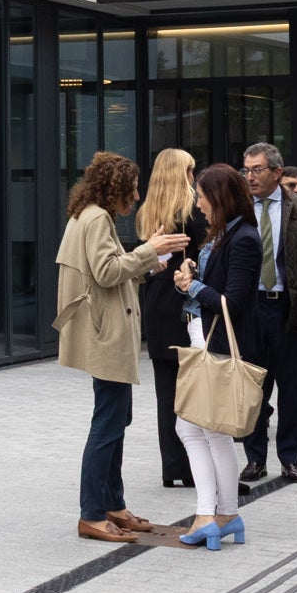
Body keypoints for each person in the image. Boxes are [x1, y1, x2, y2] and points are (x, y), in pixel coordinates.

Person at [58, 150, 186, 543]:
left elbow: (108, 271)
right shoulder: (97, 217)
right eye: (132, 187)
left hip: (103, 332)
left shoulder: (88, 214)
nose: (136, 195)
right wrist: (151, 250)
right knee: (108, 425)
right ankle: (92, 515)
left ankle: (113, 505)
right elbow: (107, 271)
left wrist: (147, 262)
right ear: (115, 187)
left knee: (115, 421)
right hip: (106, 334)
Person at [175, 162, 262, 548]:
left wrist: (193, 286)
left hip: (221, 346)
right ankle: (223, 515)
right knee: (206, 429)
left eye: (202, 196)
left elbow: (233, 302)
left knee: (200, 428)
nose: (198, 204)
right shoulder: (227, 234)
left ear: (219, 198)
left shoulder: (243, 238)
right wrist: (192, 280)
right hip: (208, 342)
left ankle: (209, 515)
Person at [235, 140, 297, 481]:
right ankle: (255, 458)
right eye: (246, 170)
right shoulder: (239, 208)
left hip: (288, 308)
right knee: (253, 389)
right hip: (250, 309)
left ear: (276, 172)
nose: (250, 177)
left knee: (290, 388)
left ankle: (290, 459)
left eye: (257, 170)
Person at [132, 148, 206, 496]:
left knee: (166, 391)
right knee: (191, 389)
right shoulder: (192, 211)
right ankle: (191, 466)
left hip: (156, 302)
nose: (194, 177)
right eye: (191, 170)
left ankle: (172, 466)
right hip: (183, 302)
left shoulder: (148, 211)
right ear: (183, 173)